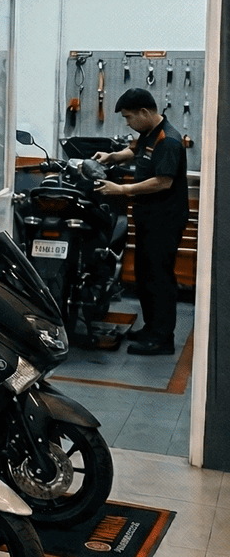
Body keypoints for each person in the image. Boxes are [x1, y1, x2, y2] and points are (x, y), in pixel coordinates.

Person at [93, 88, 190, 356]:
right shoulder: (149, 133)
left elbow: (163, 181)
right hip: (149, 217)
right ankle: (151, 328)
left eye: (128, 117)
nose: (127, 123)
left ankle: (162, 339)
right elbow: (135, 150)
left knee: (159, 277)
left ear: (144, 112)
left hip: (165, 219)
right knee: (145, 275)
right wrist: (112, 156)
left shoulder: (168, 140)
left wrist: (122, 190)